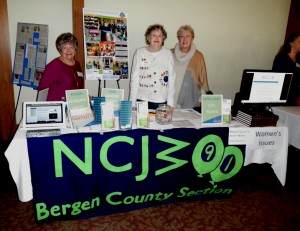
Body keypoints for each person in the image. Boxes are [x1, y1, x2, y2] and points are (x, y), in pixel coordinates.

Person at [129, 24, 176, 110]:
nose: (157, 38)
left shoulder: (167, 53)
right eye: (154, 35)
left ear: (163, 38)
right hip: (141, 98)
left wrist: (170, 102)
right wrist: (132, 102)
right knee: (141, 123)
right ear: (148, 38)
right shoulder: (139, 53)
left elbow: (171, 79)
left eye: (160, 36)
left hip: (160, 100)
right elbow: (134, 79)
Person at [171, 25, 210, 109]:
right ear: (178, 38)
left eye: (188, 36)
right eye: (182, 36)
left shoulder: (198, 56)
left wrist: (202, 99)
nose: (185, 39)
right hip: (171, 96)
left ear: (192, 38)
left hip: (190, 97)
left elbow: (202, 79)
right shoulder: (170, 54)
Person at [38, 32, 84, 101]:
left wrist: (84, 96)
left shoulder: (77, 64)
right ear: (60, 50)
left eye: (71, 47)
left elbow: (78, 86)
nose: (69, 50)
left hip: (74, 106)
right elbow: (42, 91)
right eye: (65, 47)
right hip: (57, 107)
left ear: (75, 49)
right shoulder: (53, 66)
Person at [272, 31, 300, 106]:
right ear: (291, 43)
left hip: (294, 97)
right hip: (282, 97)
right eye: (299, 41)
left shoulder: (299, 59)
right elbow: (278, 77)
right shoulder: (282, 58)